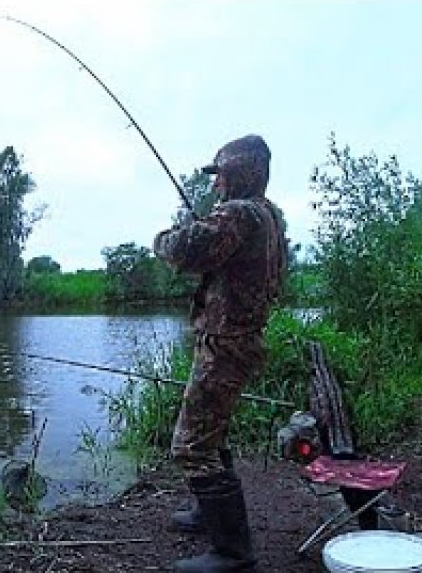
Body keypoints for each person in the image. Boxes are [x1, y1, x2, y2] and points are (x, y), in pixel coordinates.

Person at [153, 134, 288, 573]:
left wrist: (161, 239)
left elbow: (186, 249)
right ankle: (204, 513)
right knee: (212, 432)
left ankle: (233, 552)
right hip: (237, 341)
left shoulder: (241, 213)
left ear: (243, 173)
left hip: (226, 345)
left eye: (222, 175)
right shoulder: (268, 217)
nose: (216, 185)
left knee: (190, 446)